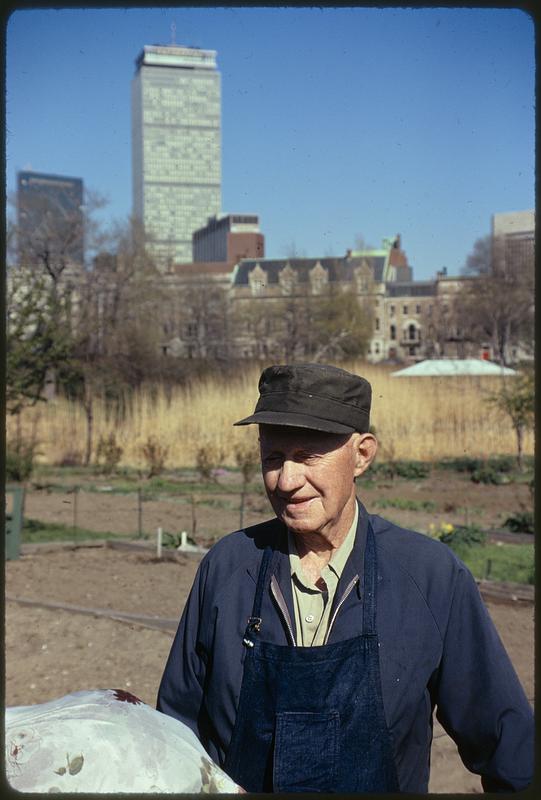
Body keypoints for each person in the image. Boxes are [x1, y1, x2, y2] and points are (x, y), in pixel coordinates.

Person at [157, 363, 533, 793]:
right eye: (273, 457)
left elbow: (511, 752)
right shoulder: (226, 568)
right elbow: (174, 738)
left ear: (362, 455)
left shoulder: (429, 577)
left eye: (308, 457)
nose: (287, 480)